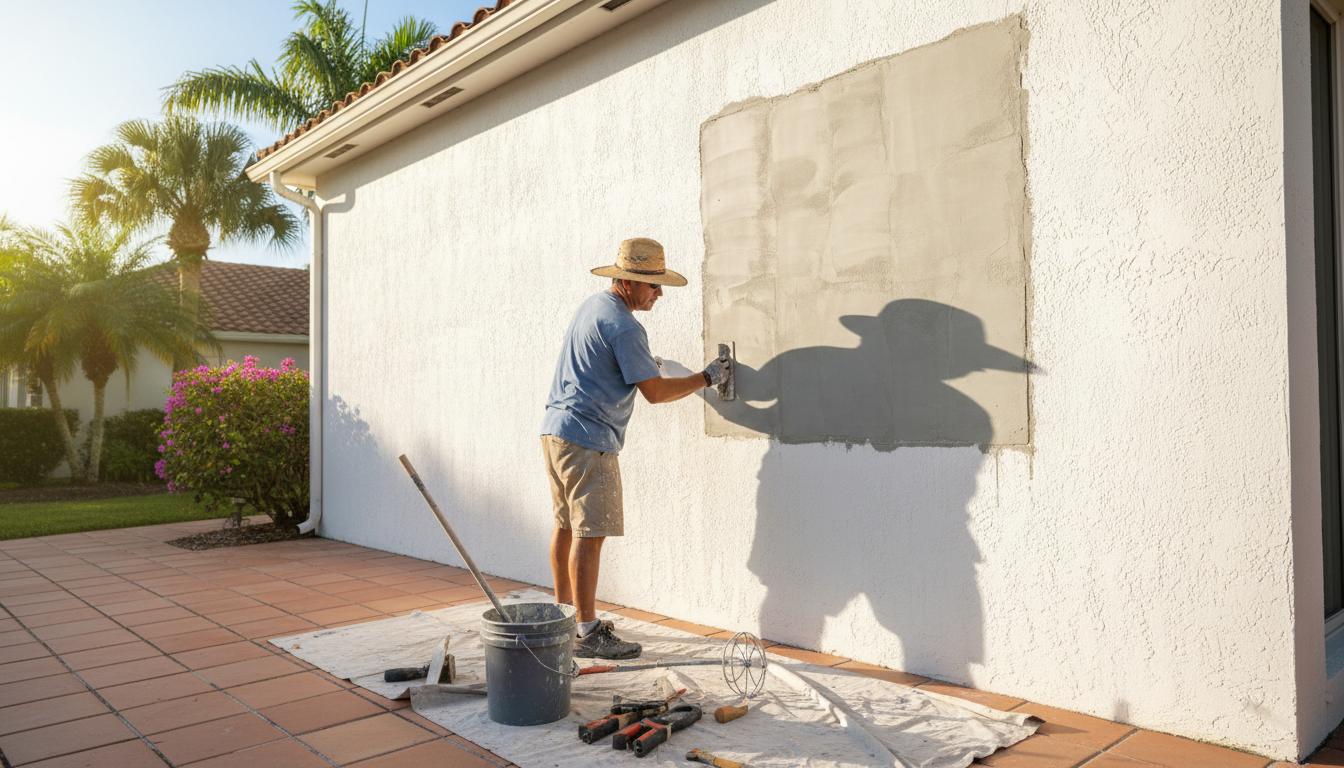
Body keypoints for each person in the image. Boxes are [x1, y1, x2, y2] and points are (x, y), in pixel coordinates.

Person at [541, 237, 729, 659]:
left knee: (566, 526)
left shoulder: (594, 307)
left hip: (556, 432)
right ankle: (587, 631)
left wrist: (646, 365)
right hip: (588, 440)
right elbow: (656, 394)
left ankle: (564, 618)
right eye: (653, 285)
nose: (659, 293)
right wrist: (706, 378)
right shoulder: (625, 326)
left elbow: (606, 365)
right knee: (590, 534)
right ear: (627, 282)